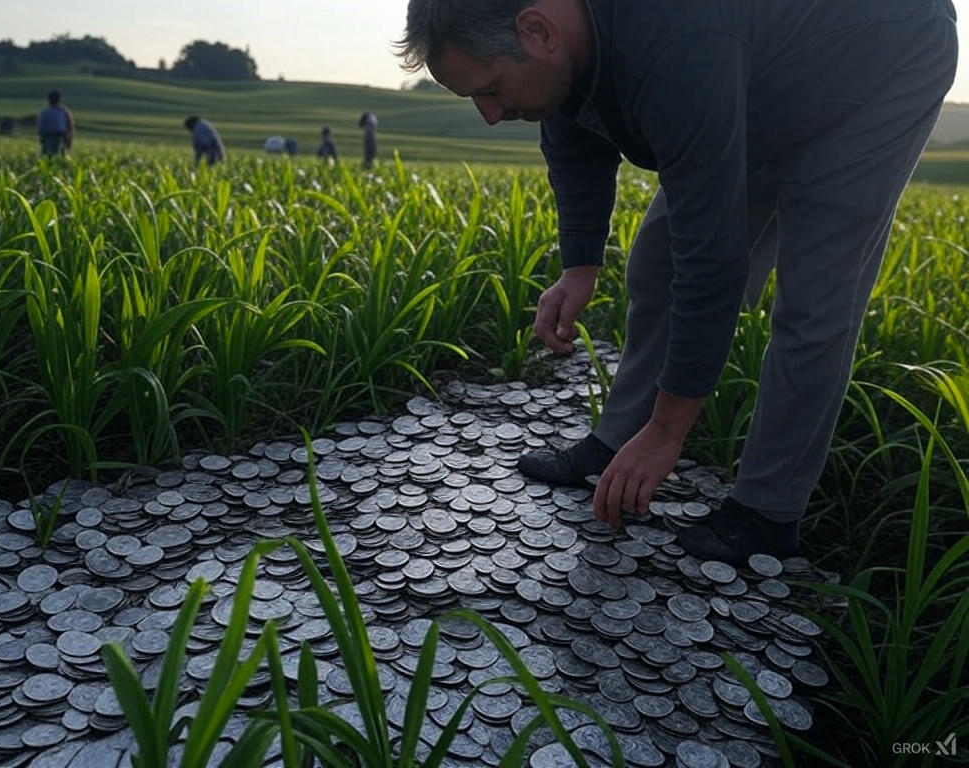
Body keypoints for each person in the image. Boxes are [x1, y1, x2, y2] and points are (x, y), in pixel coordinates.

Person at [397, 0, 958, 564]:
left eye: (490, 89)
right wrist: (580, 267)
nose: (489, 114)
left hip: (884, 51)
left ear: (539, 29)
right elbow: (570, 128)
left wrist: (671, 430)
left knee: (816, 298)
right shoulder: (567, 41)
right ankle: (619, 440)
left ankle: (766, 512)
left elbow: (711, 261)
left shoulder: (674, 43)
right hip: (763, 64)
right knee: (656, 259)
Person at [37, 90, 74, 156]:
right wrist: (69, 139)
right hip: (56, 137)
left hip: (54, 138)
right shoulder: (64, 111)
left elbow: (40, 127)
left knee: (48, 156)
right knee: (57, 156)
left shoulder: (45, 112)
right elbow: (70, 127)